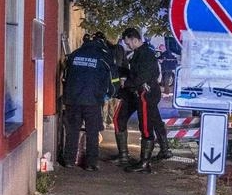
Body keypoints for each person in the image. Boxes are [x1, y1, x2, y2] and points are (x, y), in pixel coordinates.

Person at [60, 33, 114, 170]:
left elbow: (65, 76)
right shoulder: (103, 58)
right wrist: (108, 94)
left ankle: (69, 161)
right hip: (93, 101)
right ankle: (91, 163)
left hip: (73, 100)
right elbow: (109, 80)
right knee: (92, 132)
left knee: (72, 131)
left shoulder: (74, 55)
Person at [121, 28, 169, 172]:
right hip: (146, 92)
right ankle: (159, 153)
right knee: (152, 121)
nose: (128, 46)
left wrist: (127, 83)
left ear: (134, 39)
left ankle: (144, 163)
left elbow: (142, 76)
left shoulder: (145, 55)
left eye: (128, 43)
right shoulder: (140, 53)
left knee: (146, 126)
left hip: (146, 94)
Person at [105, 37, 136, 161]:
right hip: (130, 95)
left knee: (118, 120)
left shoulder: (112, 66)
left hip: (127, 96)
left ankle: (123, 155)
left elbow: (114, 84)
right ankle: (123, 154)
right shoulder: (122, 63)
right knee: (120, 120)